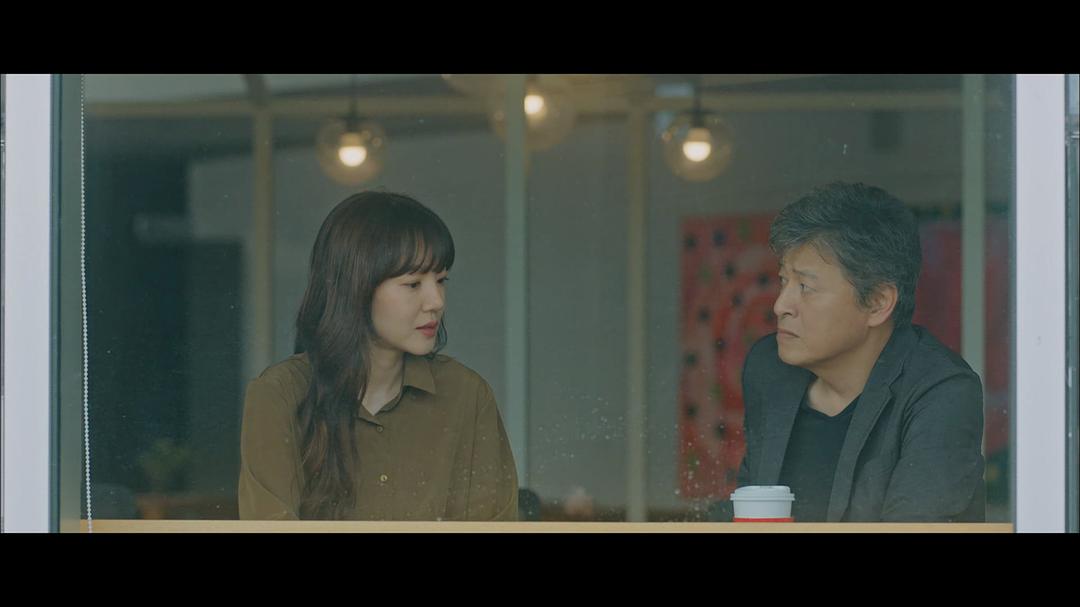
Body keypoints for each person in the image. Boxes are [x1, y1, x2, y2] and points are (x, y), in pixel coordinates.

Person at [239, 191, 518, 520]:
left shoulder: (466, 394)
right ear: (355, 287)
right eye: (413, 284)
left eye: (441, 280)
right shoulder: (280, 395)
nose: (437, 301)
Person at [737, 182, 985, 522]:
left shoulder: (940, 392)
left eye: (805, 287)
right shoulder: (769, 369)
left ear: (878, 303)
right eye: (784, 281)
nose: (781, 305)